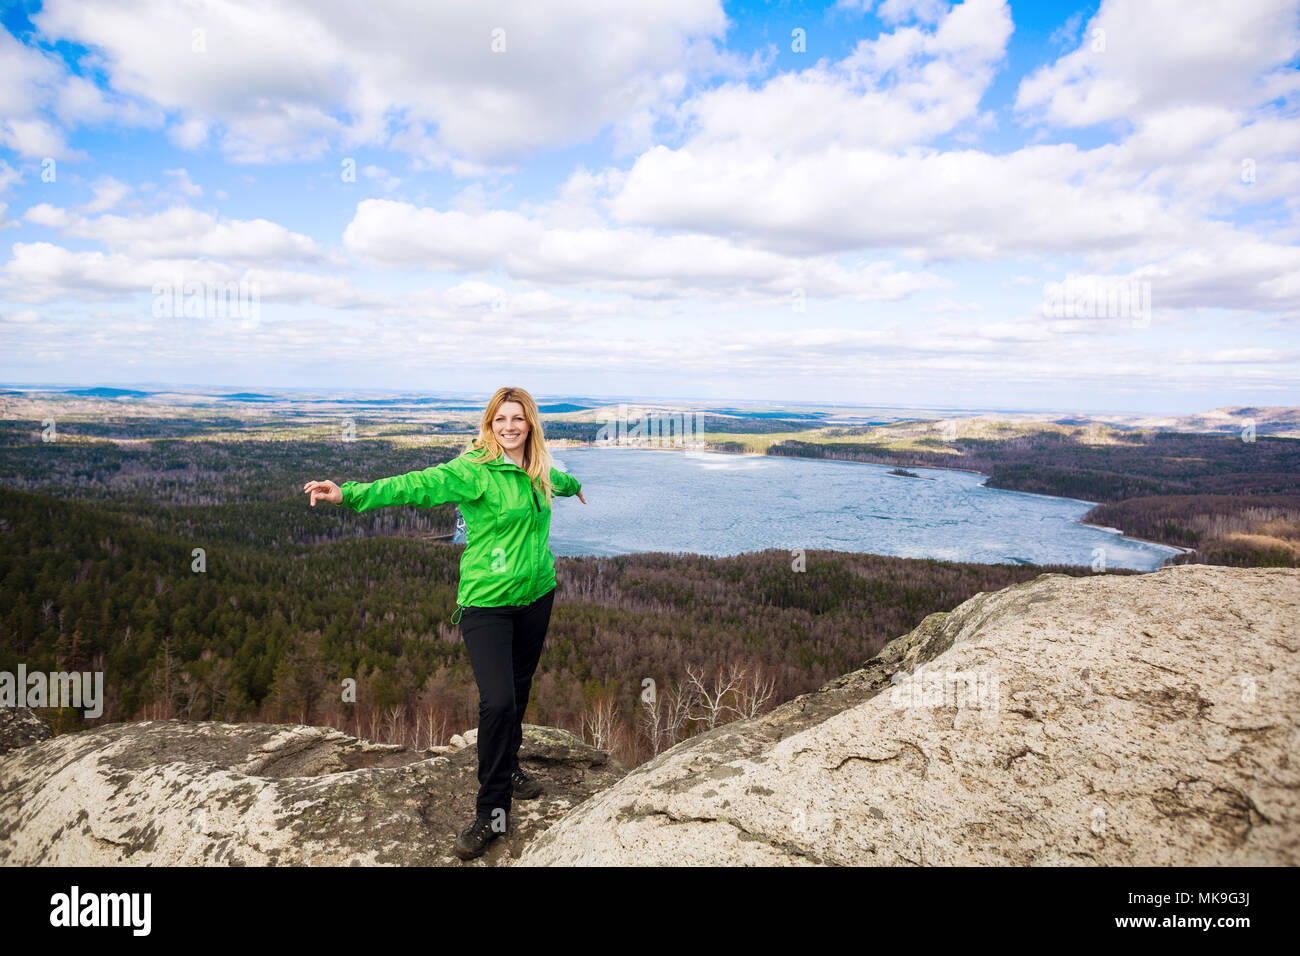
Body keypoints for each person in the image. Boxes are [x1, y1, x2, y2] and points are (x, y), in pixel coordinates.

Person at [301, 386, 587, 860]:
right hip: (487, 603)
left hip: (538, 595)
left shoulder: (537, 469)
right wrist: (348, 494)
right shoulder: (472, 471)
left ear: (530, 424)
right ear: (490, 425)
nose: (509, 427)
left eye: (518, 419)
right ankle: (491, 813)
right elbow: (414, 484)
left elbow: (557, 478)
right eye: (501, 420)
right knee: (497, 701)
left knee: (519, 686)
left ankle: (509, 765)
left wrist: (575, 487)